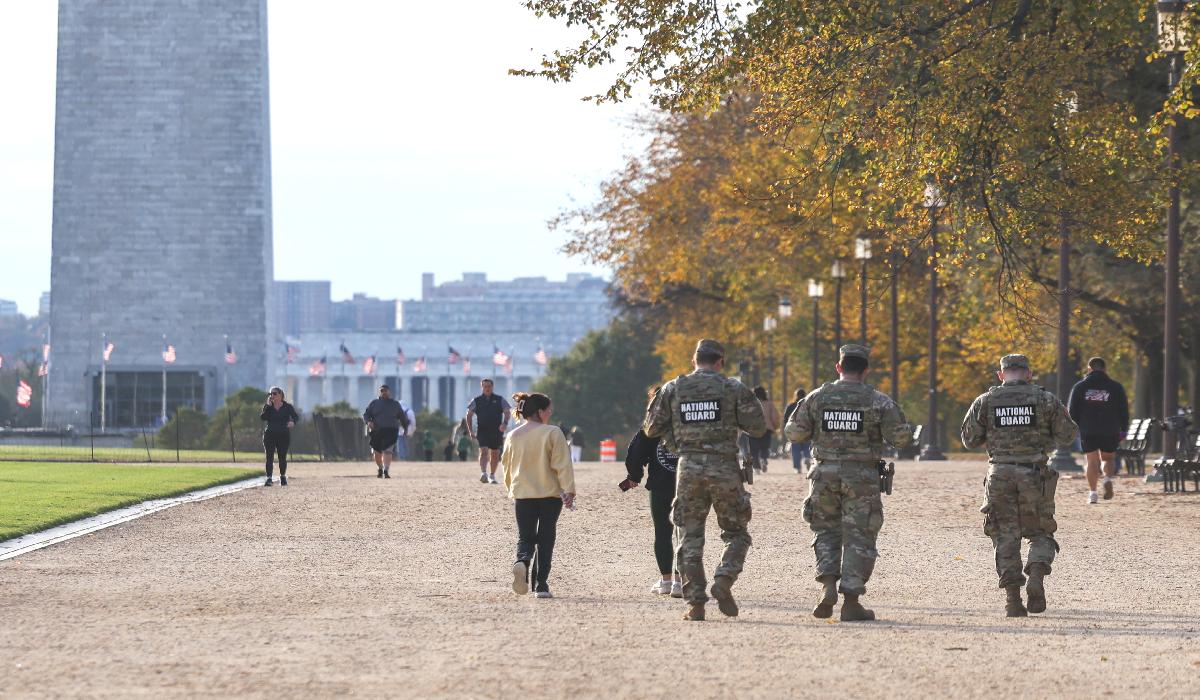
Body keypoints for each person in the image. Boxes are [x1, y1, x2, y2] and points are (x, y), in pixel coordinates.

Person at [784, 345, 913, 622]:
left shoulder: (817, 398)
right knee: (860, 536)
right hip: (862, 477)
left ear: (839, 367)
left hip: (823, 474)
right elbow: (902, 439)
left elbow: (794, 432)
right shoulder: (878, 401)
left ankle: (828, 586)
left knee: (825, 531)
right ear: (866, 370)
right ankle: (851, 601)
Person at [644, 338, 766, 622]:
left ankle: (696, 603)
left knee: (689, 536)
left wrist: (675, 440)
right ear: (720, 361)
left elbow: (651, 428)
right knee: (736, 533)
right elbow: (758, 427)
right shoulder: (733, 388)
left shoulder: (673, 388)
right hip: (725, 467)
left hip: (689, 468)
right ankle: (723, 579)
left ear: (694, 360)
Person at [961, 354, 1078, 618]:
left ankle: (1013, 600)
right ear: (1028, 373)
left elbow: (969, 439)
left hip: (999, 473)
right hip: (1034, 473)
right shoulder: (1046, 400)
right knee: (1040, 532)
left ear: (1001, 374)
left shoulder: (985, 401)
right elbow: (1068, 435)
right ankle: (1036, 573)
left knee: (1004, 535)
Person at [501, 391, 576, 599]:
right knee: (546, 537)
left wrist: (511, 489)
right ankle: (540, 585)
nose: (551, 413)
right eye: (549, 410)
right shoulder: (553, 433)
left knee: (525, 536)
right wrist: (569, 490)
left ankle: (522, 561)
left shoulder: (512, 436)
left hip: (523, 494)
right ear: (540, 412)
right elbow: (562, 464)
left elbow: (506, 466)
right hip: (550, 495)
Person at [624, 389, 682, 598]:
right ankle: (680, 580)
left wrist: (634, 475)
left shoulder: (651, 426)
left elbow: (636, 453)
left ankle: (666, 580)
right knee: (684, 533)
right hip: (688, 484)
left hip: (660, 485)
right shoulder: (690, 423)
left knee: (662, 532)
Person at [1067, 356, 1130, 504]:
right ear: (1105, 369)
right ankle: (1107, 478)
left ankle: (1093, 493)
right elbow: (1124, 410)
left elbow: (1072, 410)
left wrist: (1074, 427)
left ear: (1089, 368)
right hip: (1110, 429)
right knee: (1108, 458)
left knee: (1091, 460)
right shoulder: (1116, 387)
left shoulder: (1080, 387)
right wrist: (1124, 429)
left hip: (1088, 429)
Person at [465, 378, 511, 484]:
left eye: (489, 386)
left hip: (496, 430)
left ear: (492, 387)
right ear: (482, 387)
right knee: (484, 450)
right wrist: (470, 430)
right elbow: (469, 415)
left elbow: (507, 412)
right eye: (485, 386)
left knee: (495, 453)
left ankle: (492, 475)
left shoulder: (500, 399)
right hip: (482, 430)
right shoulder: (476, 400)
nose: (487, 388)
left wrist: (504, 423)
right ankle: (483, 473)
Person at [363, 384, 409, 478]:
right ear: (379, 392)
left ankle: (386, 470)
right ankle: (380, 468)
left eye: (385, 391)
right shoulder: (374, 403)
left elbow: (402, 417)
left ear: (389, 392)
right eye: (382, 391)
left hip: (391, 430)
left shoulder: (395, 404)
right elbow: (366, 415)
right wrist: (369, 422)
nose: (384, 392)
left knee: (388, 450)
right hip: (377, 431)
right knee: (377, 452)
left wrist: (405, 428)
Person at [260, 386, 299, 487]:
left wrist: (292, 422)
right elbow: (263, 417)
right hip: (269, 435)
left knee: (282, 457)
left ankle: (282, 477)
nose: (272, 396)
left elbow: (296, 417)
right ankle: (269, 478)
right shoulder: (268, 407)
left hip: (283, 435)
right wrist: (268, 406)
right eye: (271, 394)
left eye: (274, 393)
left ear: (280, 395)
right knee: (269, 457)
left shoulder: (287, 407)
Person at [749, 386, 782, 473]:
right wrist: (774, 426)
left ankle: (756, 467)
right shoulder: (769, 403)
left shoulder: (750, 403)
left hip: (753, 428)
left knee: (754, 449)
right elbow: (775, 416)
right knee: (764, 447)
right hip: (766, 428)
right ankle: (764, 459)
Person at [783, 387, 811, 473]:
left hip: (794, 430)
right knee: (807, 446)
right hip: (806, 429)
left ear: (796, 395)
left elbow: (785, 419)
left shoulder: (791, 406)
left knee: (795, 449)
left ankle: (797, 468)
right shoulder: (808, 404)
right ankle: (807, 457)